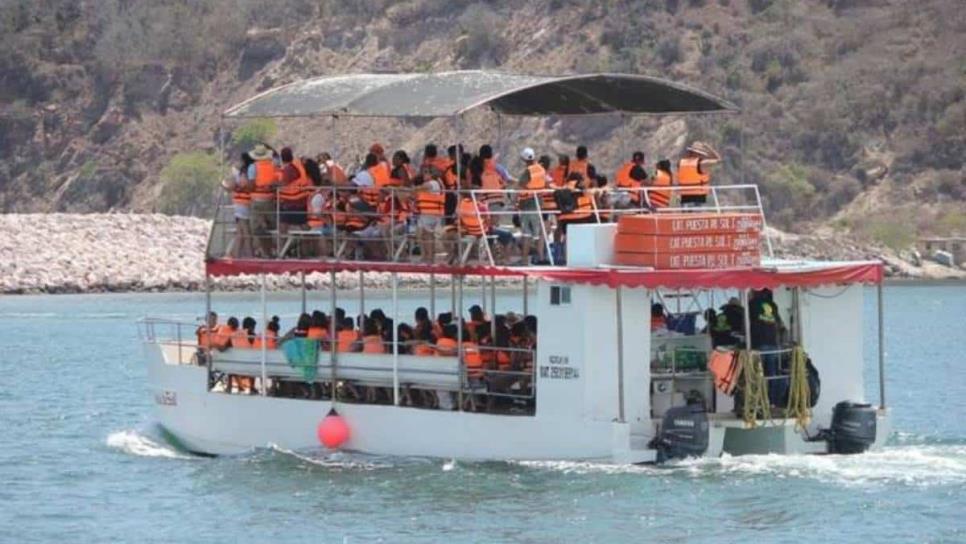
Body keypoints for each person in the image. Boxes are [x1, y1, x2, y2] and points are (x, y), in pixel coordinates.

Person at [247, 143, 281, 257]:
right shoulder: (273, 165)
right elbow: (277, 181)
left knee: (257, 229)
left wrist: (244, 188)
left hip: (257, 201)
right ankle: (274, 250)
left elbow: (251, 185)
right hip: (270, 200)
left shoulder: (253, 167)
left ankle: (267, 253)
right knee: (272, 227)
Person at [516, 147, 548, 264]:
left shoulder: (528, 171)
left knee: (526, 233)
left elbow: (521, 185)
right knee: (538, 232)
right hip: (538, 203)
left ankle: (525, 260)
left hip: (527, 204)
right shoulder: (542, 169)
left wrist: (516, 201)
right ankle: (541, 258)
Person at [223, 152, 254, 257]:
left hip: (240, 204)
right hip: (246, 203)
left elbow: (233, 186)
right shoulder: (249, 172)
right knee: (241, 232)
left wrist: (226, 185)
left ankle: (249, 255)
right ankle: (236, 255)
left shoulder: (240, 174)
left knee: (245, 232)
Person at [414, 166, 445, 263]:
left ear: (431, 174)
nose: (424, 175)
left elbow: (421, 188)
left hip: (430, 213)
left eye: (426, 173)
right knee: (423, 235)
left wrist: (412, 188)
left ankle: (430, 257)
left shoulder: (433, 183)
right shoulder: (432, 183)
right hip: (426, 213)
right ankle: (426, 256)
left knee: (428, 235)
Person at [276, 147, 310, 235]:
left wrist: (272, 184)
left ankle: (282, 247)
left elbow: (284, 183)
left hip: (292, 204)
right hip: (300, 202)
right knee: (303, 225)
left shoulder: (288, 169)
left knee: (282, 228)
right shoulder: (297, 166)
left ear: (282, 157)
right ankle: (312, 242)